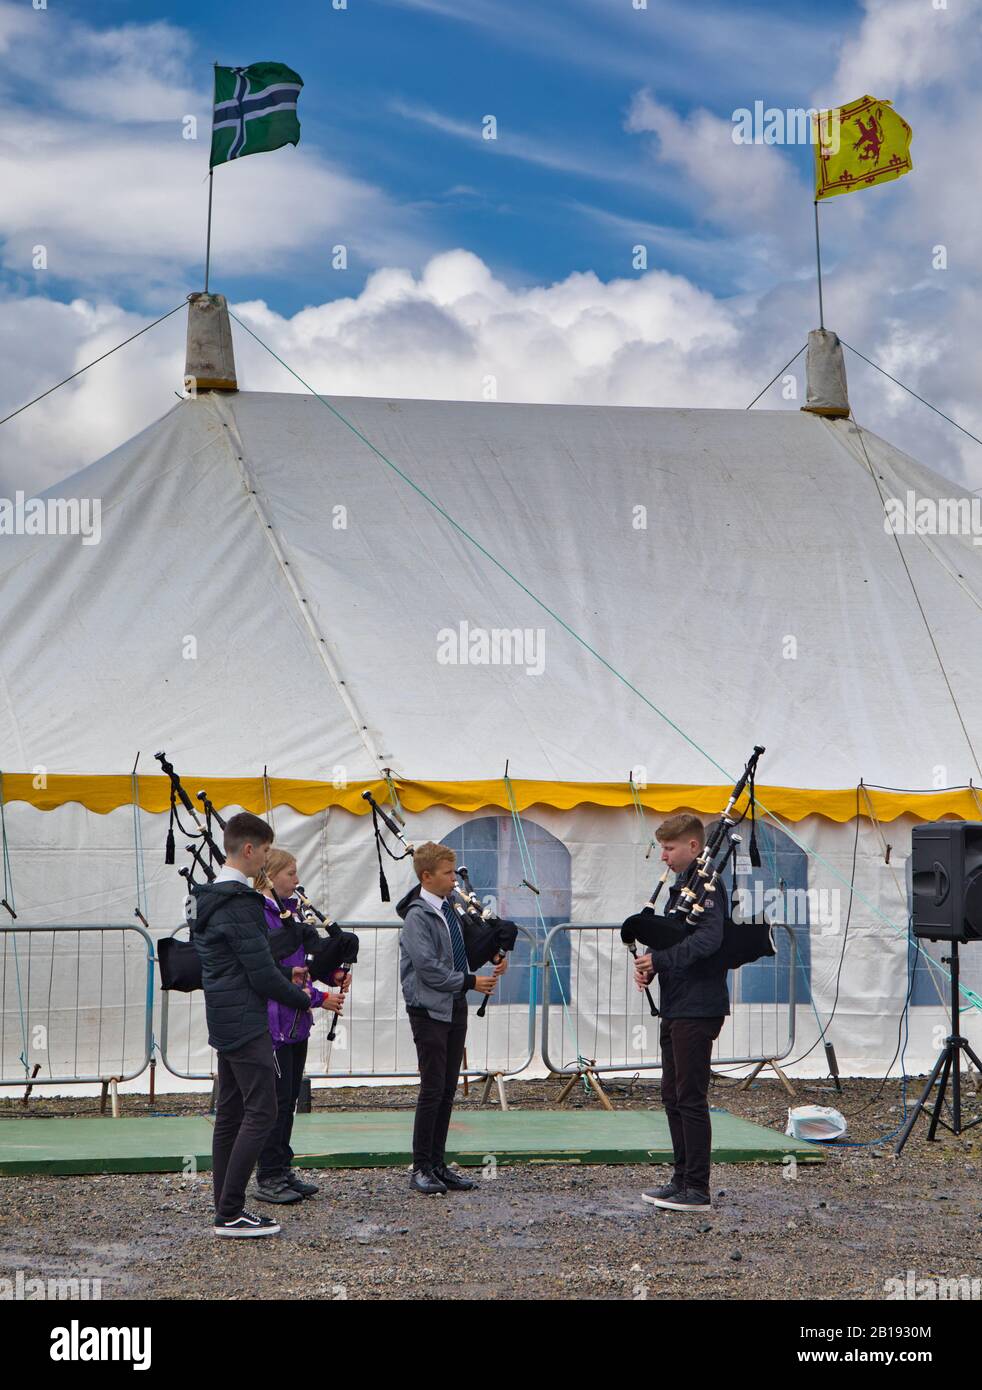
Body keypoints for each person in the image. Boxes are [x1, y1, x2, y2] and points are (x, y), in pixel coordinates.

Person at [190, 812, 313, 1238]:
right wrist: (309, 999)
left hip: (224, 1016)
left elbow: (244, 964)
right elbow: (261, 973)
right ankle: (231, 1212)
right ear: (248, 849)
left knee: (231, 1113)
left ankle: (224, 1205)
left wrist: (286, 980)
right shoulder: (241, 903)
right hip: (245, 1019)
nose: (265, 859)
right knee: (263, 1110)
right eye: (263, 851)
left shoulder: (207, 897)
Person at [633, 813, 729, 1212]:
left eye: (669, 849)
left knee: (690, 1097)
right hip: (677, 1003)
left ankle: (698, 1188)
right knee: (672, 1095)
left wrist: (661, 961)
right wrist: (652, 963)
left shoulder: (708, 885)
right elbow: (677, 941)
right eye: (662, 849)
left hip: (698, 1004)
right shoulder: (682, 888)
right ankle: (680, 1178)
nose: (664, 857)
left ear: (693, 847)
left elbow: (709, 939)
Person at [399, 842, 505, 1194]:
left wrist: (492, 954)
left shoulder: (449, 910)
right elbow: (429, 969)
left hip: (454, 1004)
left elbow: (463, 952)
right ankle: (420, 1167)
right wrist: (471, 981)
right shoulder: (418, 916)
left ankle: (438, 1163)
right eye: (447, 873)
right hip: (429, 1008)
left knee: (446, 1090)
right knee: (432, 1089)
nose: (453, 879)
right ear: (426, 876)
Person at [252, 848, 348, 1205]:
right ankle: (267, 1175)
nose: (296, 879)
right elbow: (272, 972)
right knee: (274, 1102)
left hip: (296, 1023)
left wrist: (331, 976)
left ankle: (282, 1167)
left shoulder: (290, 915)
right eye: (290, 873)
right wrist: (320, 999)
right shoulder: (260, 916)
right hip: (273, 1023)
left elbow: (302, 967)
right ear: (271, 876)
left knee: (289, 1098)